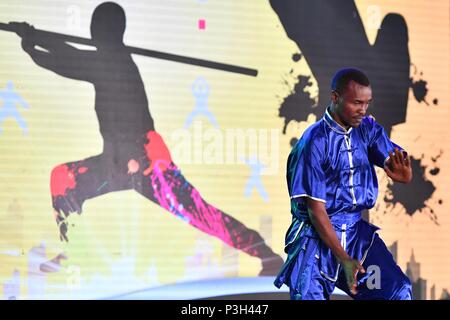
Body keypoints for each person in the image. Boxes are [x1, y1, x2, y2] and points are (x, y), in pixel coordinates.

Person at [12, 2, 283, 276]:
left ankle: (267, 256)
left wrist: (33, 44)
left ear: (108, 31)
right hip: (116, 161)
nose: (94, 32)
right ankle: (75, 251)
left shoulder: (114, 60)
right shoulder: (107, 58)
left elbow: (67, 61)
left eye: (98, 27)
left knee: (199, 214)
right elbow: (70, 55)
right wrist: (35, 39)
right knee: (64, 178)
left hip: (149, 160)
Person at [274, 68, 413, 299]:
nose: (363, 110)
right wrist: (345, 259)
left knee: (396, 290)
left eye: (367, 103)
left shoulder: (367, 129)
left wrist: (404, 175)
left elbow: (395, 163)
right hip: (315, 240)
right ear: (335, 98)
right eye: (357, 103)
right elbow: (316, 212)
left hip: (356, 236)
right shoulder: (314, 142)